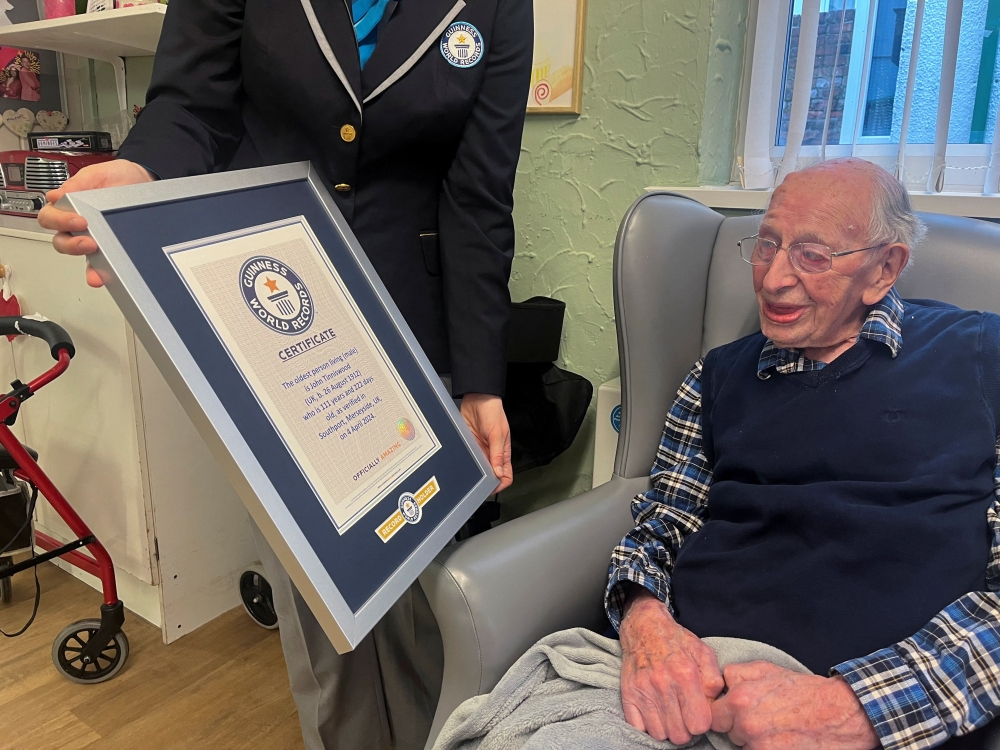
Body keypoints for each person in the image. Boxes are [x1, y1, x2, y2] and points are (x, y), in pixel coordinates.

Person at [39, 0, 532, 747]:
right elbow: (193, 103)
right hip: (268, 315)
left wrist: (480, 379)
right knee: (318, 599)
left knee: (426, 586)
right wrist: (141, 171)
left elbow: (480, 194)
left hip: (414, 327)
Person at [606, 159, 1000, 750]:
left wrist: (857, 709)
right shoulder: (715, 377)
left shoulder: (980, 357)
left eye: (813, 255)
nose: (772, 279)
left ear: (884, 268)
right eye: (767, 244)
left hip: (887, 716)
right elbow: (664, 523)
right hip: (689, 688)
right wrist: (644, 621)